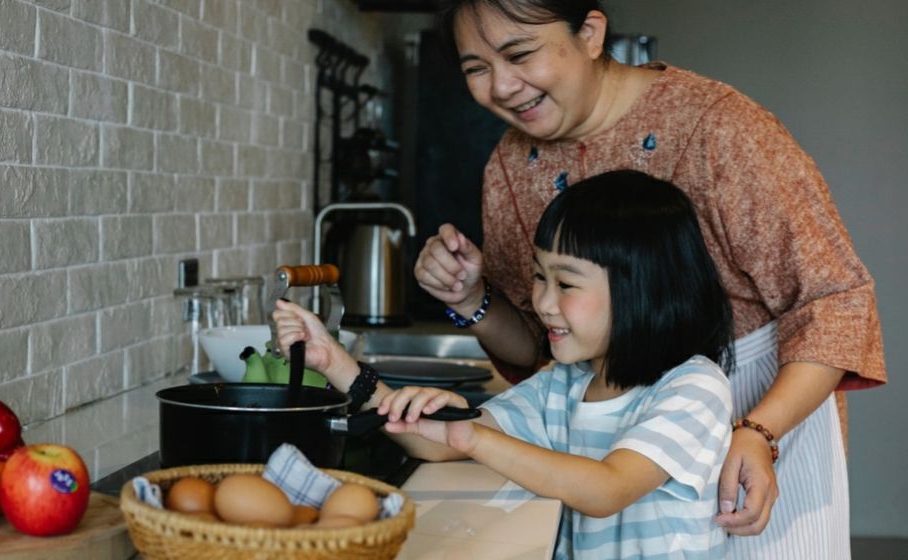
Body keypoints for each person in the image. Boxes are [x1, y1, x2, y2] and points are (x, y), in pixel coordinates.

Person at [411, 1, 887, 557]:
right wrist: (472, 298)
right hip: (604, 439)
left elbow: (837, 302)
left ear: (590, 33)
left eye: (519, 54)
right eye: (476, 68)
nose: (501, 86)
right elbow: (543, 342)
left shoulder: (719, 126)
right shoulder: (510, 167)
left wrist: (760, 431)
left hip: (758, 407)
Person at [276, 170, 737, 558]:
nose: (543, 302)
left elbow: (607, 489)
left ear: (645, 289)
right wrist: (334, 362)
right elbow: (433, 441)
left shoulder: (693, 387)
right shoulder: (564, 384)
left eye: (566, 284)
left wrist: (473, 437)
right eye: (539, 276)